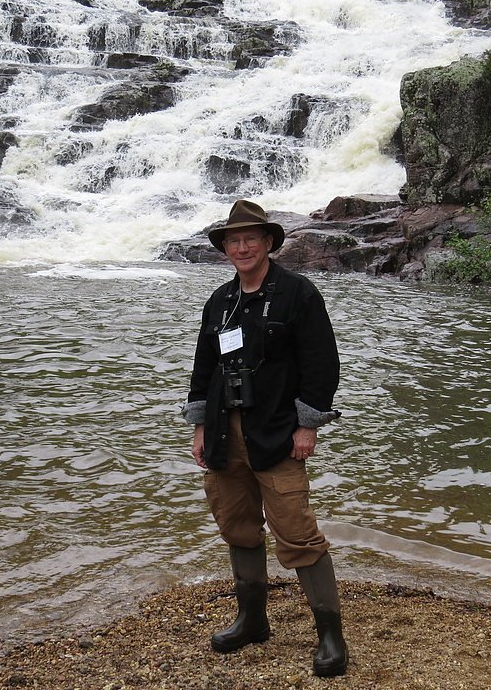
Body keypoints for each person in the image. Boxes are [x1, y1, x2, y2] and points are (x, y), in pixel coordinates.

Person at [182, 199, 348, 677]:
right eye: (234, 240)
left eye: (251, 238)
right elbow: (204, 369)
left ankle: (331, 637)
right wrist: (199, 427)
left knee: (297, 533)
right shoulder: (220, 301)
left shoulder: (298, 294)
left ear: (270, 242)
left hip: (277, 433)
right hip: (222, 432)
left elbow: (322, 365)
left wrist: (307, 425)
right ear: (225, 249)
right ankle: (252, 621)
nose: (243, 246)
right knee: (236, 525)